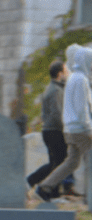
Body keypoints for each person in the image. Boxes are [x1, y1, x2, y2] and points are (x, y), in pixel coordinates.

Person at [35, 44, 92, 201]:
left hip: (70, 129)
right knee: (90, 162)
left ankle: (44, 187)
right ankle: (89, 198)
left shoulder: (72, 78)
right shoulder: (81, 80)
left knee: (71, 163)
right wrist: (89, 128)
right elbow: (81, 108)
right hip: (81, 129)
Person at [27, 60, 69, 194]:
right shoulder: (56, 90)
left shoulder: (55, 87)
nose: (67, 73)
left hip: (50, 131)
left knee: (57, 163)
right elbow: (57, 114)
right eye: (65, 71)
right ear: (60, 74)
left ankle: (53, 193)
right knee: (57, 164)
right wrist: (67, 129)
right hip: (54, 131)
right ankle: (30, 181)